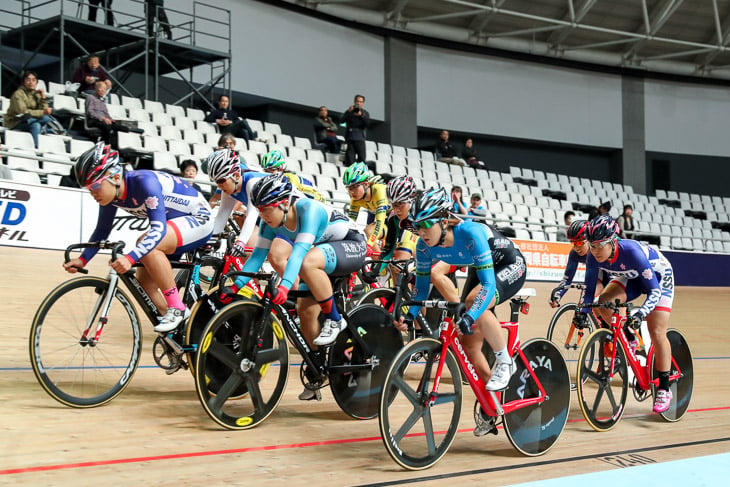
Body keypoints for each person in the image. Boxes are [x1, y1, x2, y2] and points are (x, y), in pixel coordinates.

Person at [394, 187, 527, 436]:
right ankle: (492, 405)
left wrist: (470, 315)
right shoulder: (423, 246)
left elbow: (488, 286)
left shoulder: (471, 232)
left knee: (474, 301)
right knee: (469, 345)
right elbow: (421, 292)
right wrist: (409, 316)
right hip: (482, 266)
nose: (421, 232)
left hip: (510, 264)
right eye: (417, 225)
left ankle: (504, 361)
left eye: (426, 224)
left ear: (444, 220)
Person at [228, 174, 367, 398]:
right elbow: (256, 258)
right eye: (259, 209)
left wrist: (284, 286)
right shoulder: (270, 221)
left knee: (307, 261)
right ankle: (317, 367)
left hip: (351, 244)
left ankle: (335, 319)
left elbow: (299, 255)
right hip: (323, 254)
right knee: (305, 312)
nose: (262, 215)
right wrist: (235, 287)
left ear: (283, 203)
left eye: (266, 209)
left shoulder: (308, 210)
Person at [64, 143, 214, 332]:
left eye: (94, 186)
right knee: (144, 284)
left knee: (146, 244)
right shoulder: (111, 195)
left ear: (116, 177)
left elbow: (158, 230)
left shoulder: (144, 182)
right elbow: (102, 231)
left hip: (198, 217)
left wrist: (129, 258)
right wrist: (82, 259)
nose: (92, 192)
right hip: (174, 224)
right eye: (88, 188)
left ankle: (177, 309)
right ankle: (179, 329)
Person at [574, 215, 676, 413]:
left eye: (599, 245)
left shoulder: (631, 252)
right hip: (632, 276)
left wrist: (641, 315)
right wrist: (583, 311)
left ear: (613, 241)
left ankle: (664, 388)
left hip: (659, 278)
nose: (595, 251)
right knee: (601, 303)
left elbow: (654, 290)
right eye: (591, 245)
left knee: (656, 331)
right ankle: (629, 338)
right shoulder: (592, 256)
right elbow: (588, 291)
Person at [206, 148, 269, 258]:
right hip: (264, 219)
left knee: (252, 251)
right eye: (216, 182)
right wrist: (211, 241)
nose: (218, 186)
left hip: (278, 218)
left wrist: (241, 242)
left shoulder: (252, 182)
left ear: (235, 175)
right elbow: (222, 216)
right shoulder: (230, 188)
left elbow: (251, 215)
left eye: (221, 181)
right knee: (244, 258)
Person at [549, 219, 607, 307]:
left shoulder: (598, 252)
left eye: (579, 243)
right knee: (585, 303)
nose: (576, 248)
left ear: (589, 240)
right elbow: (567, 279)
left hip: (609, 275)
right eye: (573, 243)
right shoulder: (574, 254)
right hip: (597, 276)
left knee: (592, 299)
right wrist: (557, 296)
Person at [343, 162, 390, 256]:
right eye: (348, 188)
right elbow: (350, 223)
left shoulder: (378, 190)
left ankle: (382, 265)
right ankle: (381, 268)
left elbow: (380, 222)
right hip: (383, 221)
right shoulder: (355, 200)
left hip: (397, 222)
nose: (351, 192)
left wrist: (369, 244)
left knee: (368, 232)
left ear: (366, 184)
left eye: (354, 187)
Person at [3, 71, 56, 148]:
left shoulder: (37, 94)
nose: (31, 82)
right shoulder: (18, 94)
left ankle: (35, 148)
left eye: (33, 80)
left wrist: (43, 98)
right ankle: (37, 148)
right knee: (44, 119)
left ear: (36, 82)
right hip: (15, 121)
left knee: (40, 122)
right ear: (24, 82)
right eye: (28, 80)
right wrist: (42, 112)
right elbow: (23, 111)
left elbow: (45, 110)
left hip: (30, 120)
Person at [260, 150, 326, 203]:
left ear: (281, 169)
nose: (268, 174)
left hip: (317, 201)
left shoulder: (289, 178)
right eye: (265, 171)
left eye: (271, 170)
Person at [85, 80, 132, 146]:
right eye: (101, 88)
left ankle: (116, 147)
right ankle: (106, 145)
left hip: (103, 122)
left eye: (105, 89)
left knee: (123, 128)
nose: (103, 91)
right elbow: (90, 112)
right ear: (96, 88)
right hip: (94, 121)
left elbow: (106, 114)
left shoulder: (102, 102)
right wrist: (103, 118)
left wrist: (110, 119)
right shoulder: (90, 97)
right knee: (107, 127)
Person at [341, 94, 369, 166]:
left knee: (362, 158)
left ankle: (360, 174)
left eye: (360, 102)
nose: (358, 103)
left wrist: (361, 115)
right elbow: (341, 121)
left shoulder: (365, 113)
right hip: (350, 138)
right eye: (357, 101)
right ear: (354, 101)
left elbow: (367, 124)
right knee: (350, 159)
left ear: (363, 103)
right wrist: (348, 112)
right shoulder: (349, 111)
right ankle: (352, 174)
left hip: (360, 138)